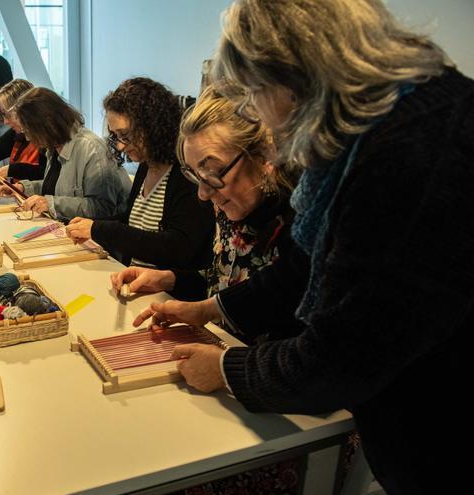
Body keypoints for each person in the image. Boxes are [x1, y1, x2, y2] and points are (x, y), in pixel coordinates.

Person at [143, 1, 472, 492]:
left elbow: (340, 358)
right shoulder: (389, 116)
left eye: (255, 93)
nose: (258, 113)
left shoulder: (407, 155)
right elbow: (304, 262)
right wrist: (209, 308)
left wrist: (229, 370)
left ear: (291, 77)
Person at [114, 85, 304, 339]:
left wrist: (226, 365)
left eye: (213, 173)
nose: (203, 194)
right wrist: (168, 279)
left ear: (263, 156)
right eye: (194, 175)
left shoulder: (299, 226)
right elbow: (223, 280)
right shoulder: (227, 210)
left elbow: (306, 343)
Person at [65, 78, 214, 300]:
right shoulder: (147, 166)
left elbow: (177, 247)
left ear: (153, 126)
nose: (121, 145)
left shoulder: (185, 174)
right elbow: (133, 223)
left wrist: (100, 229)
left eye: (126, 135)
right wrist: (91, 228)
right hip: (136, 290)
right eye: (116, 136)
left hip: (168, 299)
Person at [0, 87, 131, 220]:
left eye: (29, 131)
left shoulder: (92, 150)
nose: (28, 138)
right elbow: (58, 189)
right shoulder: (53, 146)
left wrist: (51, 204)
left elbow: (103, 208)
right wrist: (24, 188)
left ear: (46, 124)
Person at [0, 79, 45, 181]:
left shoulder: (46, 136)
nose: (5, 122)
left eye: (7, 115)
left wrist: (12, 170)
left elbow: (45, 174)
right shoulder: (17, 133)